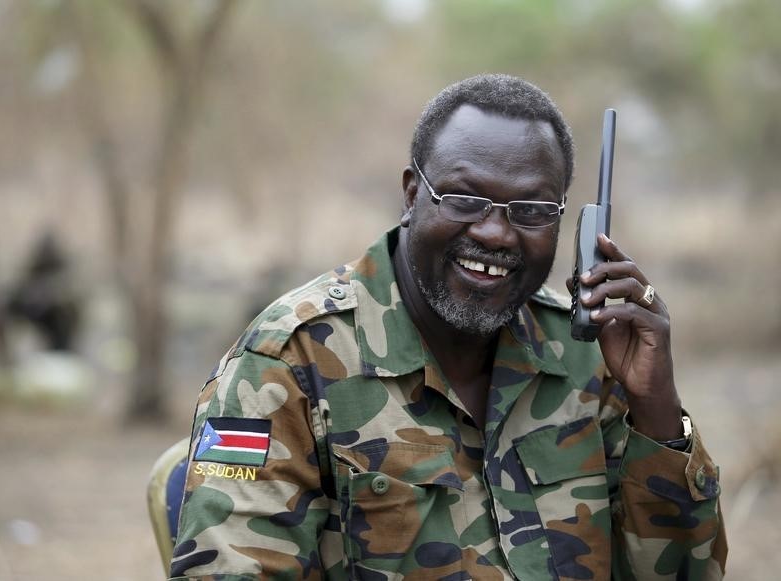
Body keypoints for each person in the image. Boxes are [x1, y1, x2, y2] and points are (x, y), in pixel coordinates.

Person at [169, 74, 726, 580]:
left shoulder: (587, 353)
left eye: (531, 209)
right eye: (465, 199)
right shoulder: (289, 363)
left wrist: (656, 408)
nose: (496, 234)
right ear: (412, 195)